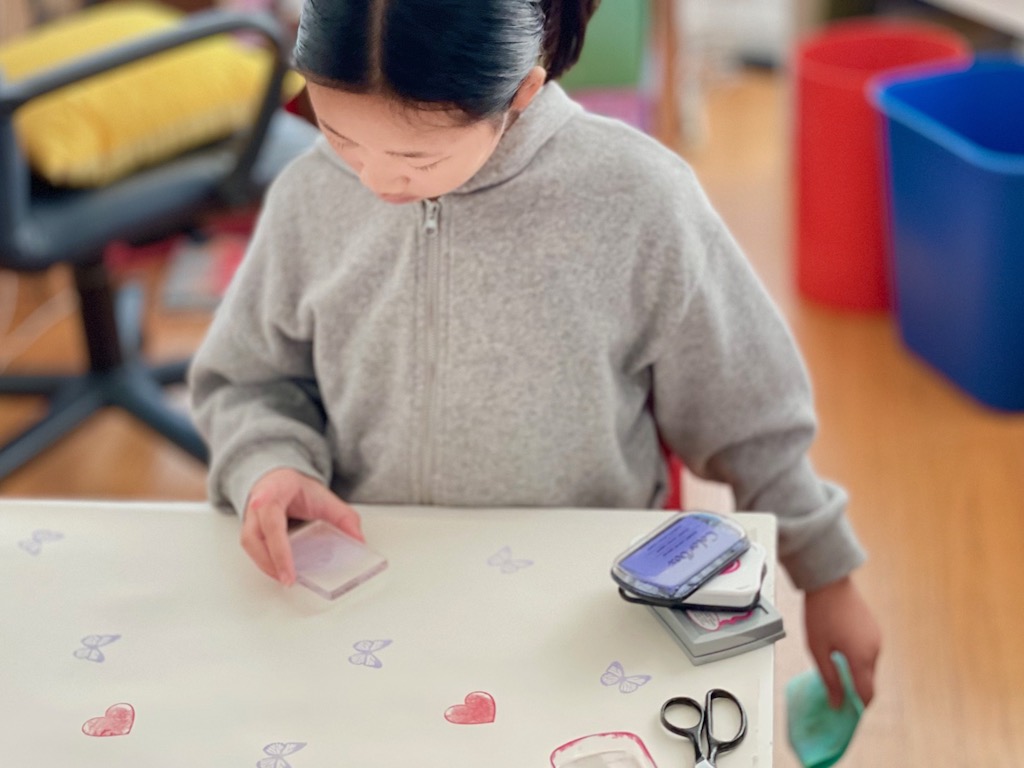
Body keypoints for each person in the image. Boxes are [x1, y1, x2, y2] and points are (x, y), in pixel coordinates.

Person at [188, 0, 881, 709]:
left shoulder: (639, 198)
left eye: (415, 157)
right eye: (341, 138)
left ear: (521, 89)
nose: (373, 180)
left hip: (585, 622)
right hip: (371, 608)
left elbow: (752, 416)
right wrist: (269, 462)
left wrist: (826, 574)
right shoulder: (311, 193)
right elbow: (247, 380)